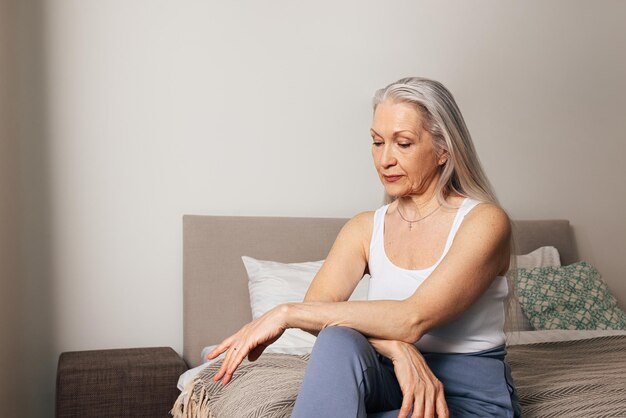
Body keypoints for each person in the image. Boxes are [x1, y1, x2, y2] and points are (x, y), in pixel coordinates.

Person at [207, 77, 521, 418]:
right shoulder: (365, 227)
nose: (384, 159)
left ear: (443, 150)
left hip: (463, 396)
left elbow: (413, 318)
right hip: (387, 378)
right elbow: (319, 310)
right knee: (337, 340)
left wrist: (285, 312)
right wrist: (396, 349)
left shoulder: (485, 222)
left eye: (403, 144)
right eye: (376, 142)